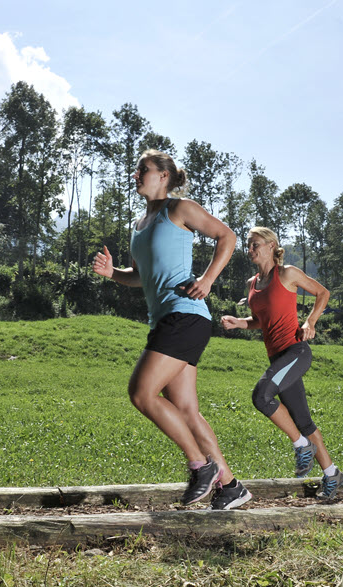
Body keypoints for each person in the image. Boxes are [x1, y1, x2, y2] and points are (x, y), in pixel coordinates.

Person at [92, 149, 251, 510]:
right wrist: (112, 274)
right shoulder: (138, 225)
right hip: (166, 319)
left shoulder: (179, 209)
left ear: (163, 176)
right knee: (186, 410)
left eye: (143, 170)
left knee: (142, 393)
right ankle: (229, 486)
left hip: (186, 314)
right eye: (136, 170)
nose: (136, 175)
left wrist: (208, 279)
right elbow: (140, 276)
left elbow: (227, 236)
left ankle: (201, 466)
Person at [220, 227, 343, 500]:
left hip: (296, 352)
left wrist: (310, 321)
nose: (249, 249)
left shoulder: (287, 273)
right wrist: (240, 323)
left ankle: (302, 446)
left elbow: (322, 293)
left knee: (261, 396)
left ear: (270, 245)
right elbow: (262, 322)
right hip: (278, 357)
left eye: (254, 245)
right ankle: (332, 473)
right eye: (249, 245)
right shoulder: (252, 284)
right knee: (303, 420)